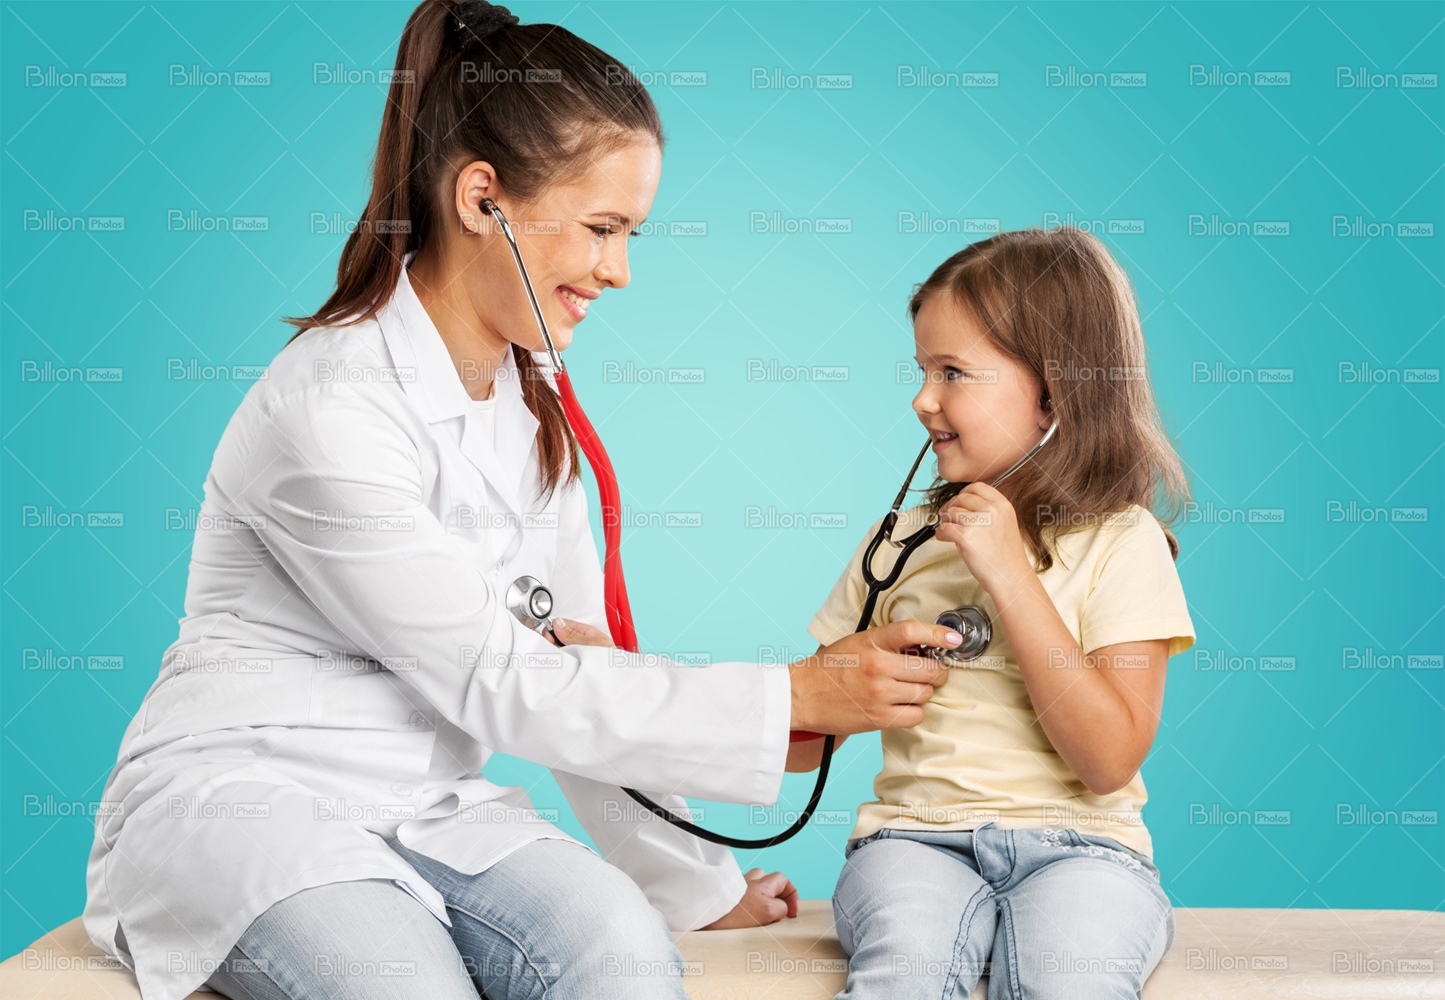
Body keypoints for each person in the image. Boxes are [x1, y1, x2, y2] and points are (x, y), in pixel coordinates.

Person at [80, 4, 965, 1000]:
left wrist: (695, 886)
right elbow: (500, 681)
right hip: (248, 800)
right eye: (601, 229)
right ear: (480, 199)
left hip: (424, 803)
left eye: (629, 235)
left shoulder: (529, 408)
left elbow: (574, 665)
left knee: (624, 950)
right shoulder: (328, 407)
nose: (619, 271)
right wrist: (791, 697)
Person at [790, 227, 1195, 999]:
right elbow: (803, 744)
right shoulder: (900, 543)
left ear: (1055, 393)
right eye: (921, 371)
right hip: (913, 844)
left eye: (952, 372)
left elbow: (1108, 760)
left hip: (1085, 849)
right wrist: (638, 677)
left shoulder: (1122, 541)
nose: (922, 400)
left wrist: (1009, 576)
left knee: (1067, 981)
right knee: (903, 970)